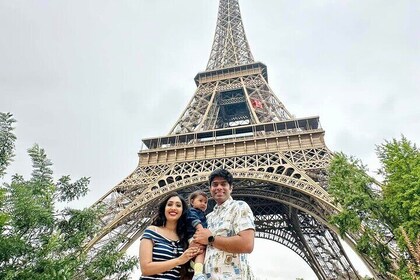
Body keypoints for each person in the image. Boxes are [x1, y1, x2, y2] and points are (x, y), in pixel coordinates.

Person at [193, 168, 256, 279]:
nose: (219, 188)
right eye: (215, 184)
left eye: (223, 184)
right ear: (210, 188)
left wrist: (211, 239)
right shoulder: (208, 217)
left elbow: (247, 244)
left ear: (231, 188)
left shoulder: (240, 207)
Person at [139, 192, 201, 280]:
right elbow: (145, 269)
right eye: (170, 204)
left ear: (183, 211)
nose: (173, 208)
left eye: (178, 205)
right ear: (164, 208)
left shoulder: (184, 239)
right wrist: (179, 260)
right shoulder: (152, 231)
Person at [186, 191, 208, 280]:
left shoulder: (203, 214)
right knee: (201, 253)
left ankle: (194, 264)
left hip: (199, 236)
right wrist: (201, 230)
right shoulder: (191, 211)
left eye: (205, 202)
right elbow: (194, 220)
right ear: (192, 202)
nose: (203, 203)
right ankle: (198, 274)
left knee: (203, 254)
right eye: (200, 201)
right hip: (195, 236)